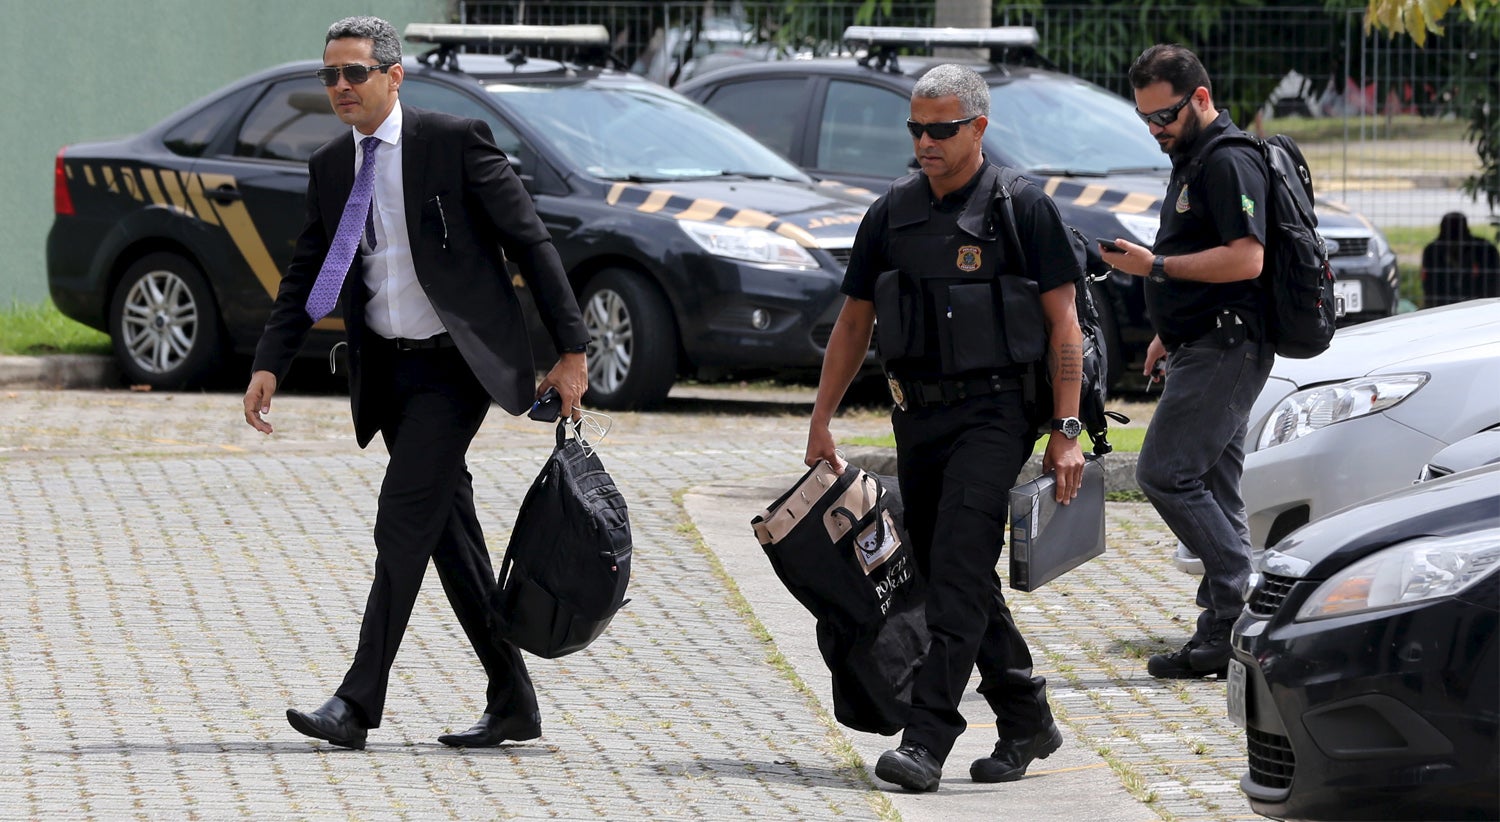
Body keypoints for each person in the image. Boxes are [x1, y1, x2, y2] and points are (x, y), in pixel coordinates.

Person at [242, 16, 591, 750]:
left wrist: (572, 350)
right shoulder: (331, 165)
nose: (340, 86)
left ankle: (356, 704)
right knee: (449, 535)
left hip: (456, 366)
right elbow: (309, 270)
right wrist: (270, 361)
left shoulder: (453, 142)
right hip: (389, 369)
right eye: (330, 75)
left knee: (401, 519)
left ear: (394, 76)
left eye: (355, 72)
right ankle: (513, 700)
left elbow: (529, 240)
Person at [804, 63, 1084, 793]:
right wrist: (822, 418)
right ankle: (1025, 715)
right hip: (917, 416)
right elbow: (855, 322)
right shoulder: (890, 213)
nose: (925, 143)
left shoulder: (1022, 207)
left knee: (957, 568)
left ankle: (927, 738)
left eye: (941, 130)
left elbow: (1065, 324)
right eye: (916, 130)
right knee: (948, 569)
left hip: (996, 413)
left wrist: (1066, 428)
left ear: (979, 128)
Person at [1099, 44, 1273, 680]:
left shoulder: (1227, 161)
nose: (1156, 129)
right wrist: (1166, 331)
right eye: (1145, 118)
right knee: (1218, 488)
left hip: (1227, 348)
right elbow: (1201, 254)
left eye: (1165, 115)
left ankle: (1242, 595)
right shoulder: (1194, 156)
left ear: (1200, 98)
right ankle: (1226, 635)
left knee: (1165, 474)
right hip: (1202, 342)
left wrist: (1156, 267)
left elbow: (1247, 259)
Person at [1421, 211, 1500, 307]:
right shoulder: (1432, 252)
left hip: (1479, 305)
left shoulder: (1485, 250)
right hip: (1444, 307)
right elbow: (1429, 287)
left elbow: (1493, 284)